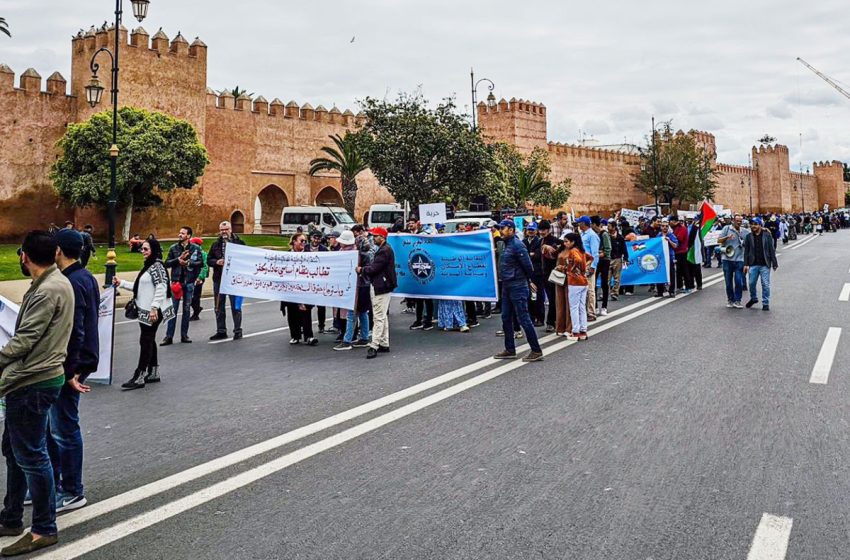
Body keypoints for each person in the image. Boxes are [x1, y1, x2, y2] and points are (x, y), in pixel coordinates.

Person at [0, 231, 73, 556]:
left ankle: (44, 528)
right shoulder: (52, 283)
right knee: (18, 452)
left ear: (24, 257)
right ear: (56, 252)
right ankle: (12, 515)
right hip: (34, 380)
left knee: (31, 455)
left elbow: (25, 340)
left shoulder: (48, 290)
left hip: (33, 382)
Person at [47, 229, 100, 515]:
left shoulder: (73, 281)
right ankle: (53, 484)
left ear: (59, 251)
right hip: (78, 362)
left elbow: (76, 330)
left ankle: (72, 490)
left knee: (63, 428)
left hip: (72, 365)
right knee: (55, 426)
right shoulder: (84, 277)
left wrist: (70, 371)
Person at [113, 239, 175, 389]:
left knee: (145, 340)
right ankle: (153, 372)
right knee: (149, 339)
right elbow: (139, 287)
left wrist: (154, 307)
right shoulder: (149, 266)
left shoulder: (157, 266)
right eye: (142, 249)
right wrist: (121, 283)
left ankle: (140, 375)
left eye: (146, 249)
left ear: (153, 250)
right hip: (145, 310)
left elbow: (161, 287)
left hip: (152, 311)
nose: (143, 251)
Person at [492, 220, 543, 362]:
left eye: (504, 228)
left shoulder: (517, 245)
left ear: (512, 230)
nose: (501, 231)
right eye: (501, 228)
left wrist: (528, 281)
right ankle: (510, 349)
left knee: (524, 318)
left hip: (518, 285)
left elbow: (528, 266)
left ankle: (536, 350)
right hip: (507, 285)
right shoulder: (506, 245)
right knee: (506, 317)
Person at [357, 228, 396, 359]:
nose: (373, 238)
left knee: (378, 317)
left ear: (382, 237)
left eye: (375, 236)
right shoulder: (385, 249)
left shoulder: (384, 251)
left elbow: (374, 268)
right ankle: (384, 342)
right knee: (382, 315)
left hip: (381, 286)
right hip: (382, 285)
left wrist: (362, 269)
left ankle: (374, 345)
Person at [162, 226, 203, 345]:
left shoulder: (195, 248)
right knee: (173, 309)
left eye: (182, 233)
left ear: (188, 236)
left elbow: (200, 263)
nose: (180, 235)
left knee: (186, 309)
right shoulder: (173, 248)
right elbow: (167, 263)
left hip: (189, 282)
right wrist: (178, 260)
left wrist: (189, 262)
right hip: (176, 283)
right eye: (179, 233)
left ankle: (184, 335)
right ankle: (168, 336)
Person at [207, 222, 246, 340]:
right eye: (222, 230)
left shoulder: (239, 243)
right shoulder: (215, 245)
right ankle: (221, 330)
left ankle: (237, 330)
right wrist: (216, 262)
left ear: (231, 229)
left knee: (236, 306)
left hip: (234, 280)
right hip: (219, 279)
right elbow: (209, 260)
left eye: (226, 229)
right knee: (219, 306)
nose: (224, 232)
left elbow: (246, 259)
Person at [333, 231, 371, 351]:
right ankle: (364, 337)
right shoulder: (359, 253)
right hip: (363, 286)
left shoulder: (354, 254)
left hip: (356, 287)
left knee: (351, 314)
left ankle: (347, 340)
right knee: (363, 312)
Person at [286, 233, 319, 346]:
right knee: (292, 312)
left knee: (306, 311)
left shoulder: (309, 255)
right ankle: (295, 336)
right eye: (301, 241)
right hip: (290, 289)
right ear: (294, 241)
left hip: (305, 288)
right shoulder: (286, 255)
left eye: (305, 241)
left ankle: (309, 336)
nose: (304, 243)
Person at [743, 218, 778, 311]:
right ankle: (754, 298)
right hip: (753, 264)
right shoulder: (748, 236)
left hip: (764, 264)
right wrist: (745, 264)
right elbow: (746, 251)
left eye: (755, 224)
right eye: (752, 224)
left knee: (765, 284)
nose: (753, 226)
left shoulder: (767, 235)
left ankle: (765, 303)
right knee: (751, 283)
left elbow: (771, 249)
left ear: (760, 225)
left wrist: (774, 262)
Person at [561, 232, 589, 341]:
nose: (564, 243)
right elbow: (590, 258)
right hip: (583, 281)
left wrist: (570, 270)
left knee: (574, 307)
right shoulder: (582, 251)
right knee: (581, 307)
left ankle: (575, 331)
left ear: (573, 242)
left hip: (574, 282)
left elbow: (577, 260)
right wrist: (583, 269)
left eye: (566, 241)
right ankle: (583, 330)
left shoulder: (573, 251)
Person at [718, 214, 748, 308]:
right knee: (728, 282)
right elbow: (719, 240)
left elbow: (750, 241)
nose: (739, 222)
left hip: (740, 259)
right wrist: (727, 238)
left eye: (740, 221)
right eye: (737, 221)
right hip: (727, 259)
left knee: (739, 281)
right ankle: (730, 299)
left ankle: (738, 300)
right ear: (733, 221)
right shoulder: (726, 229)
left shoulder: (744, 232)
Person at [576, 216, 599, 321]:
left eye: (579, 223)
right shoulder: (582, 234)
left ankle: (591, 312)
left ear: (583, 224)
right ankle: (585, 311)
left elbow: (595, 253)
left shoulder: (592, 235)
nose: (578, 225)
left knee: (590, 289)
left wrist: (593, 266)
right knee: (583, 289)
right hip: (582, 263)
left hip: (589, 263)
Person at [538, 220, 560, 333]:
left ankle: (551, 322)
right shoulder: (540, 241)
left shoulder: (555, 241)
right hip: (544, 274)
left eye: (544, 230)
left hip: (554, 273)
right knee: (547, 298)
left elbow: (561, 250)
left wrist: (552, 249)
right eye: (540, 230)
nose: (542, 232)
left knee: (553, 299)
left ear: (549, 230)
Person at [308, 230, 330, 334]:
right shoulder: (305, 248)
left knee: (321, 305)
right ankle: (305, 326)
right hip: (307, 280)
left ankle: (321, 325)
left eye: (318, 238)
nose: (316, 240)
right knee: (307, 305)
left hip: (321, 280)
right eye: (314, 237)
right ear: (311, 238)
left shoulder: (324, 250)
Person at [655, 220, 679, 298]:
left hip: (669, 257)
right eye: (663, 226)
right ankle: (660, 291)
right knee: (659, 273)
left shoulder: (671, 235)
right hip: (661, 258)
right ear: (660, 227)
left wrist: (669, 240)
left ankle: (671, 291)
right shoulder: (658, 235)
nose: (664, 227)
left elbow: (675, 246)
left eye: (666, 226)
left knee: (671, 274)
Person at [669, 215, 692, 294]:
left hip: (682, 252)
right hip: (675, 252)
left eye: (670, 221)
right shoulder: (673, 229)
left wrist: (671, 237)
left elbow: (679, 239)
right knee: (678, 270)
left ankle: (688, 286)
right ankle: (680, 286)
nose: (669, 223)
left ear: (674, 221)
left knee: (685, 270)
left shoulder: (682, 228)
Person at [188, 237, 209, 321]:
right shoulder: (190, 252)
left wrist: (200, 277)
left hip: (198, 278)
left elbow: (205, 267)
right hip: (190, 277)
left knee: (195, 296)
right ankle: (197, 308)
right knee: (189, 296)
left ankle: (196, 314)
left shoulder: (202, 253)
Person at [594, 218, 612, 316]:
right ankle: (595, 306)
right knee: (593, 284)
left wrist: (601, 253)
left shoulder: (604, 234)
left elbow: (608, 249)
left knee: (604, 283)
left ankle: (604, 306)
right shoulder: (593, 234)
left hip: (604, 261)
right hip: (596, 260)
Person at [608, 221, 627, 299]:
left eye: (609, 226)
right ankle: (606, 293)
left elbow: (624, 248)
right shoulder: (606, 236)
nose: (608, 228)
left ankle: (615, 293)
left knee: (617, 278)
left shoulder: (620, 237)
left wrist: (626, 258)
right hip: (608, 259)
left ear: (614, 227)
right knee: (607, 278)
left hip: (617, 259)